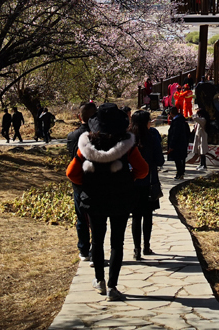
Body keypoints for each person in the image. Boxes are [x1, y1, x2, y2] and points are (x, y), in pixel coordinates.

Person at [78, 104, 148, 301]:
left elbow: (71, 173)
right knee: (117, 242)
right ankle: (112, 287)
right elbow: (143, 170)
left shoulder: (86, 145)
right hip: (121, 197)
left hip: (94, 199)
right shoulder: (127, 146)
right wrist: (129, 177)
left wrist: (88, 181)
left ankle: (99, 280)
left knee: (98, 240)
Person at [129, 110, 165, 260]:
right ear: (146, 122)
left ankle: (136, 248)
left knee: (136, 216)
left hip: (132, 182)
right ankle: (146, 246)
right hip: (149, 181)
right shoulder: (152, 137)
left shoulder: (128, 138)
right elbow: (160, 160)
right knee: (148, 215)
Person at [67, 100, 97, 262]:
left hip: (78, 181)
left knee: (81, 217)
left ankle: (83, 249)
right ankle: (95, 248)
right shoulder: (98, 135)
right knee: (96, 218)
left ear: (80, 117)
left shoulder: (72, 136)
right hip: (95, 181)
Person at [167, 108, 190, 179]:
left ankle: (179, 173)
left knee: (178, 159)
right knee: (182, 159)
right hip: (183, 142)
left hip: (177, 144)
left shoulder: (176, 122)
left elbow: (174, 134)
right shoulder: (183, 120)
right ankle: (181, 173)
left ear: (171, 113)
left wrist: (171, 145)